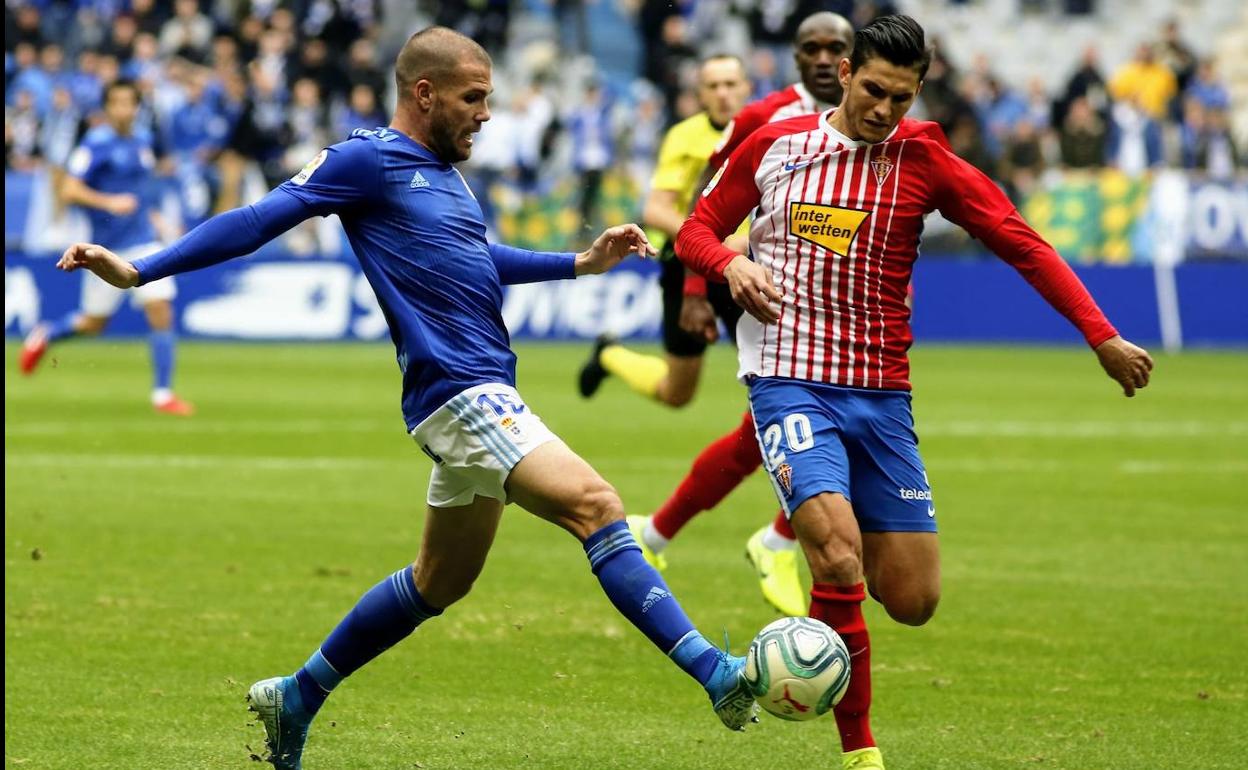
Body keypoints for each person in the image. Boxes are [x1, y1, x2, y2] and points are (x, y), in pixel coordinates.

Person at [56, 27, 759, 770]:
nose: (487, 113)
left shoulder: (446, 176)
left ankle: (297, 694)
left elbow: (477, 258)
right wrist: (140, 269)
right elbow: (260, 218)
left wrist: (578, 263)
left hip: (478, 388)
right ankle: (717, 674)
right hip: (458, 390)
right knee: (597, 506)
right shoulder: (367, 159)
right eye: (473, 97)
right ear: (424, 93)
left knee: (438, 581)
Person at [676, 16, 1153, 770]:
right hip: (788, 379)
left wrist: (1100, 335)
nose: (883, 111)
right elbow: (696, 228)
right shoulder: (777, 146)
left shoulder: (924, 160)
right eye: (872, 90)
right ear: (845, 74)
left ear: (917, 91)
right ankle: (860, 751)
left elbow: (1020, 241)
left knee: (914, 600)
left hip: (882, 398)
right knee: (836, 558)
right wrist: (727, 268)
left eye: (901, 98)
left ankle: (822, 615)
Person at [581, 12, 856, 619]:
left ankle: (665, 534)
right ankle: (769, 540)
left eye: (834, 46)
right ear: (793, 55)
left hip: (800, 287)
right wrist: (699, 287)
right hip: (725, 273)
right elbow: (703, 207)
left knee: (794, 411)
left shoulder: (872, 119)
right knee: (780, 411)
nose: (821, 57)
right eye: (810, 46)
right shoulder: (760, 120)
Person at [19, 79, 194, 417]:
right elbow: (69, 190)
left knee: (161, 309)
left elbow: (140, 193)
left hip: (144, 241)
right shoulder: (95, 144)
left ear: (137, 106)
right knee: (92, 324)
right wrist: (108, 202)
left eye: (129, 102)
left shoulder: (144, 141)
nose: (123, 109)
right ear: (107, 107)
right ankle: (46, 334)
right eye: (116, 102)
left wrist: (157, 219)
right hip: (105, 250)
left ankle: (162, 394)